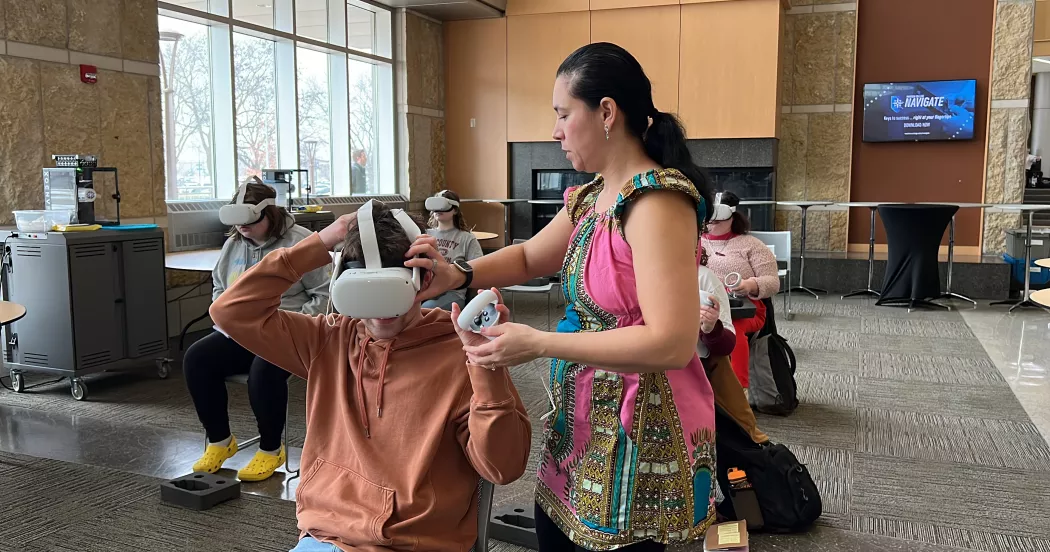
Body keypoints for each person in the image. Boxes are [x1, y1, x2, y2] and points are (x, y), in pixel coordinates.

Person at [408, 42, 718, 551]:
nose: (554, 131)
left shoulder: (657, 201)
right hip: (583, 422)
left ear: (607, 113)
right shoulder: (594, 195)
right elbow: (531, 257)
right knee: (555, 532)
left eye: (562, 113)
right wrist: (456, 273)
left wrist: (540, 342)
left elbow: (671, 343)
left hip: (638, 431)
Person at [209, 200, 532, 552]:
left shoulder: (459, 350)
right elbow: (230, 311)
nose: (381, 315)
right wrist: (320, 242)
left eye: (393, 291)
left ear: (423, 281)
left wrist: (484, 366)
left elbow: (503, 468)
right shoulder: (327, 340)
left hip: (412, 542)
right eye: (366, 294)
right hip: (324, 535)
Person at [184, 178, 331, 481]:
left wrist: (297, 325)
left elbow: (325, 295)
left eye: (249, 221)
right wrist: (228, 322)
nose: (243, 229)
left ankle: (270, 448)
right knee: (197, 358)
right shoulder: (233, 245)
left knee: (263, 371)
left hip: (289, 332)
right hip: (242, 331)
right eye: (237, 223)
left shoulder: (300, 242)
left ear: (269, 215)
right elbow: (220, 289)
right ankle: (220, 441)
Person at [702, 191, 780, 393]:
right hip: (703, 302)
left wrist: (750, 285)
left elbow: (773, 281)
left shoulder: (751, 244)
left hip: (744, 308)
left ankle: (736, 391)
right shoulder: (693, 240)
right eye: (708, 220)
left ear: (732, 218)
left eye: (718, 221)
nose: (711, 225)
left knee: (732, 330)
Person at [423, 189, 483, 311]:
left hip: (453, 293)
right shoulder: (425, 234)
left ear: (455, 210)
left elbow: (480, 268)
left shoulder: (467, 238)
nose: (438, 210)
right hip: (426, 288)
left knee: (426, 310)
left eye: (443, 206)